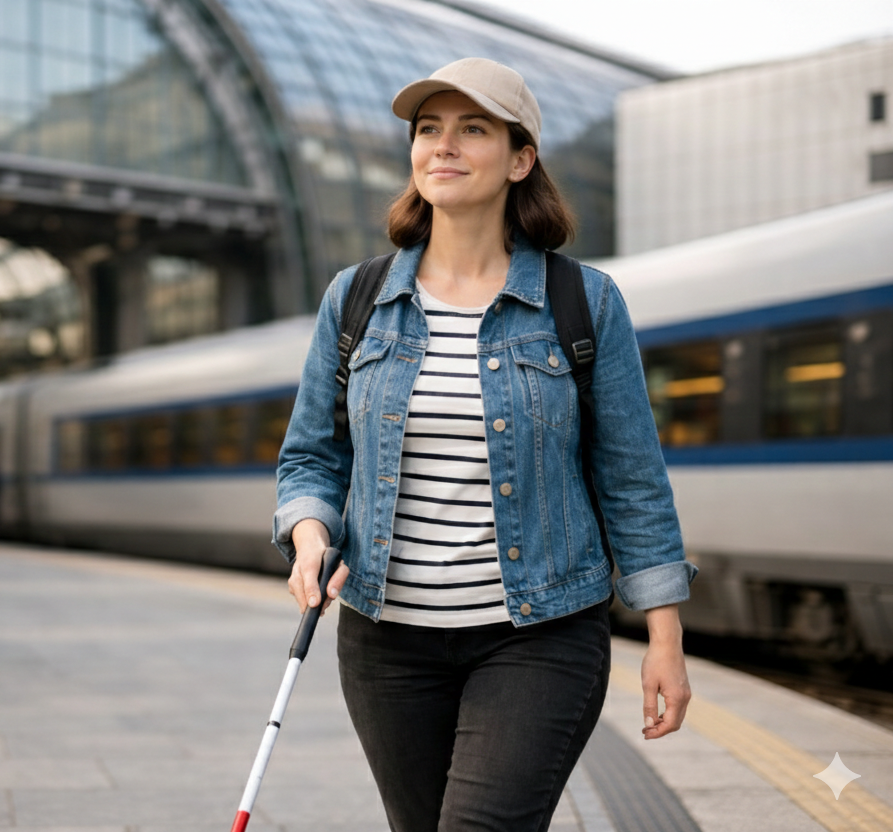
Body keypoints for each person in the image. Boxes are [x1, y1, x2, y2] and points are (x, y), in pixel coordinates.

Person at [274, 58, 697, 832]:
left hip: (537, 637)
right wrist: (309, 534)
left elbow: (632, 478)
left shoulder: (583, 301)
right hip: (385, 644)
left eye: (473, 129)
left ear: (520, 158)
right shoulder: (358, 297)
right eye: (429, 129)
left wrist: (664, 638)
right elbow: (312, 456)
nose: (445, 145)